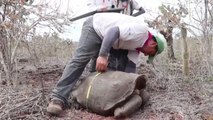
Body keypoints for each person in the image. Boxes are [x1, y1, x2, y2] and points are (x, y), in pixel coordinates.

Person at [47, 13, 166, 115]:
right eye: (151, 53)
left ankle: (91, 98)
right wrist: (102, 55)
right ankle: (58, 98)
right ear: (153, 45)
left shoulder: (137, 48)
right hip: (96, 28)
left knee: (112, 69)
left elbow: (130, 70)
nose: (146, 55)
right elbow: (113, 31)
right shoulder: (141, 31)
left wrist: (131, 89)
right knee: (80, 60)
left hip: (112, 40)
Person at [86, 0, 146, 73]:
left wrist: (130, 18)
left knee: (119, 61)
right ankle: (94, 74)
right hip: (106, 32)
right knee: (98, 56)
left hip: (122, 34)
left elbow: (142, 10)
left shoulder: (132, 3)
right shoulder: (111, 2)